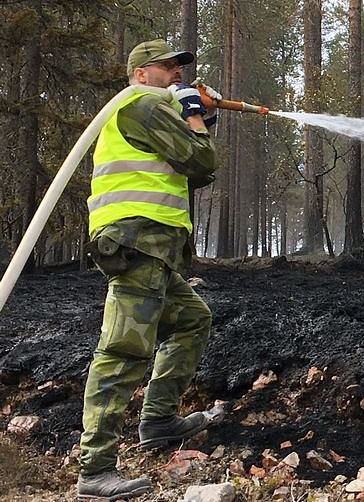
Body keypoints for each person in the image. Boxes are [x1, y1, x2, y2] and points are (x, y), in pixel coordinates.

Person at [77, 39, 224, 499]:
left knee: (192, 320)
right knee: (123, 349)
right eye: (166, 68)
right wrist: (194, 117)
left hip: (153, 246)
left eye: (179, 69)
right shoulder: (142, 104)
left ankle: (158, 421)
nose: (176, 75)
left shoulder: (153, 110)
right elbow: (203, 159)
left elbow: (195, 173)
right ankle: (95, 470)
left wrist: (196, 118)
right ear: (141, 74)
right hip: (137, 240)